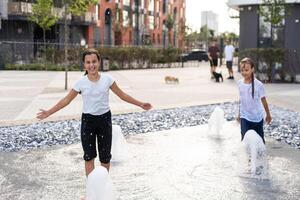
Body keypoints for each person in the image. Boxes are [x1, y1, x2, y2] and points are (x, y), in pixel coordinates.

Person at [36, 48, 152, 176]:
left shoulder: (108, 79)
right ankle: (91, 191)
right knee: (89, 157)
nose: (91, 65)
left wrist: (140, 104)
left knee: (105, 158)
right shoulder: (81, 83)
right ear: (84, 64)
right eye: (88, 62)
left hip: (104, 121)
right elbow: (66, 100)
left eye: (94, 61)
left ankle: (102, 189)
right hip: (88, 122)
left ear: (99, 62)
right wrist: (49, 112)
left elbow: (122, 95)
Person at [237, 57, 272, 144]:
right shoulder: (240, 83)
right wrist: (239, 114)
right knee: (245, 140)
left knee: (260, 142)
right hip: (244, 116)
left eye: (246, 70)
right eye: (242, 70)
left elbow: (264, 101)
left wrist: (268, 115)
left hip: (257, 118)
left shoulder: (259, 85)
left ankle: (260, 156)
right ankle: (247, 157)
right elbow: (241, 100)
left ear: (252, 69)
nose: (244, 72)